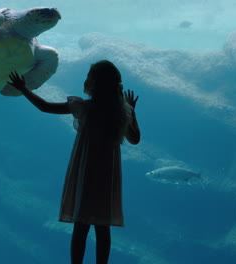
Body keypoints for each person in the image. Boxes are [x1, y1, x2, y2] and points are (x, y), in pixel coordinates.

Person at [7, 60, 140, 264]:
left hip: (86, 171)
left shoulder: (85, 107)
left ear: (94, 83)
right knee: (102, 227)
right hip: (107, 174)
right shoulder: (123, 111)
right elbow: (135, 139)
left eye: (89, 76)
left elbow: (45, 107)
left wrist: (24, 89)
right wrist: (132, 111)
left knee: (81, 225)